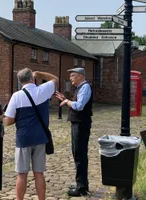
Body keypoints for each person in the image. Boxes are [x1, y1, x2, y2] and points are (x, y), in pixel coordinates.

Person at [4, 68, 58, 200]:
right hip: (40, 137)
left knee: (22, 174)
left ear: (20, 81)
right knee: (39, 173)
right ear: (32, 79)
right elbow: (55, 79)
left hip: (23, 138)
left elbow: (8, 121)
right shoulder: (43, 90)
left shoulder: (16, 96)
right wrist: (40, 73)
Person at [55, 67, 93, 197]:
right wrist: (65, 99)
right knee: (77, 153)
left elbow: (79, 106)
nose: (70, 78)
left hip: (81, 125)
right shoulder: (80, 88)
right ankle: (81, 184)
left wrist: (67, 101)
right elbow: (76, 103)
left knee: (79, 155)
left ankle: (82, 188)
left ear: (80, 76)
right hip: (77, 124)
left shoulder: (85, 87)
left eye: (73, 75)